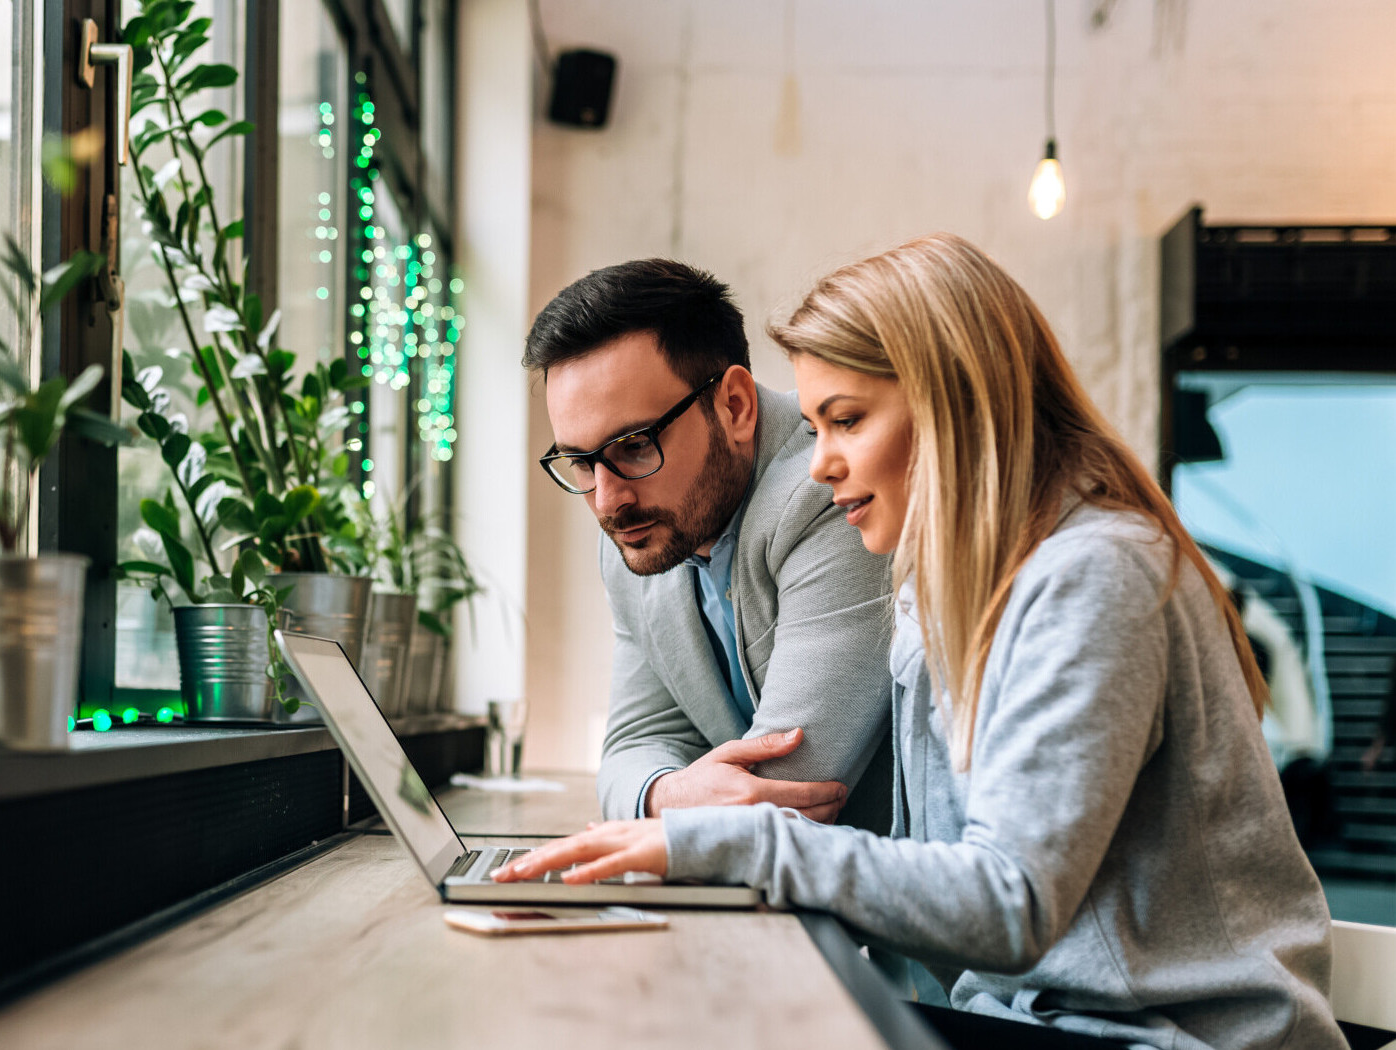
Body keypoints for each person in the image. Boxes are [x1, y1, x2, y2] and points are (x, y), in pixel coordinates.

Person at [499, 235, 1343, 1050]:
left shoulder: (1094, 574)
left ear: (957, 407)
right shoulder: (948, 587)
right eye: (819, 426)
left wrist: (719, 835)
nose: (821, 466)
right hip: (1033, 1017)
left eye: (846, 421)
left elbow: (1009, 900)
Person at [523, 259, 895, 830]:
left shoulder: (837, 492)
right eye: (580, 462)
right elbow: (634, 744)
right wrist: (664, 795)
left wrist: (667, 803)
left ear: (735, 407)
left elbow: (789, 789)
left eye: (635, 447)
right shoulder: (643, 533)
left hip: (880, 899)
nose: (606, 501)